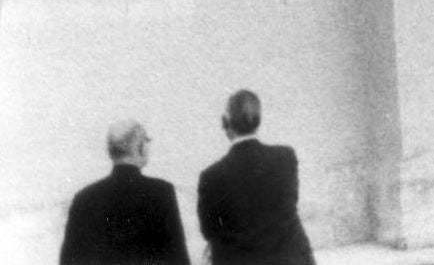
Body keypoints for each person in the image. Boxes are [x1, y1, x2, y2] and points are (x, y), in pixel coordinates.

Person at [197, 90, 315, 265]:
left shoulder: (212, 176)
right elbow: (288, 204)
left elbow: (208, 231)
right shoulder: (286, 157)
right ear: (258, 120)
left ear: (225, 123)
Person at [60, 119, 190, 265]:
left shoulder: (84, 198)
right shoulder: (161, 193)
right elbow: (178, 258)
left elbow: (68, 260)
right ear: (139, 147)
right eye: (146, 141)